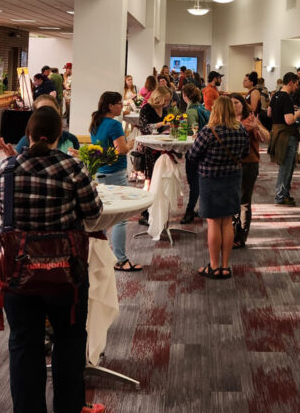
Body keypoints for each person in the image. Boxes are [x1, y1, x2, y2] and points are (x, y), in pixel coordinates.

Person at [0, 107, 106, 413]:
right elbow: (93, 212)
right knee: (69, 338)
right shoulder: (72, 167)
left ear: (27, 134)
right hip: (64, 271)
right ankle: (70, 412)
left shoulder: (4, 170)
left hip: (15, 271)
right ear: (59, 135)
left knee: (23, 342)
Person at [187, 96, 249, 279]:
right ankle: (225, 266)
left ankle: (214, 266)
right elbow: (245, 153)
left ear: (215, 111)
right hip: (233, 178)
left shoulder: (208, 131)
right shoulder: (241, 130)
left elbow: (192, 155)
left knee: (213, 222)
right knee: (227, 221)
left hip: (210, 179)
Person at [90, 91, 142, 272]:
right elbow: (121, 150)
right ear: (110, 106)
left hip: (100, 172)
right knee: (121, 219)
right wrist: (130, 143)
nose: (122, 106)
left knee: (102, 218)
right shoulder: (114, 124)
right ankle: (121, 259)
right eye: (119, 103)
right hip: (115, 172)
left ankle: (100, 257)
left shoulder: (96, 123)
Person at [230, 93, 269, 247]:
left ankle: (241, 236)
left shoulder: (250, 119)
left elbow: (266, 137)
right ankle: (231, 233)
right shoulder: (226, 121)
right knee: (232, 200)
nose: (233, 106)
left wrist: (256, 127)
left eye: (236, 103)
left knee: (244, 201)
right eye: (230, 103)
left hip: (249, 164)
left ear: (243, 104)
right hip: (230, 164)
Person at [0, 95, 80, 156]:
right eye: (42, 111)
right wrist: (14, 158)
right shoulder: (25, 141)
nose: (47, 116)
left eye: (51, 110)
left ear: (58, 112)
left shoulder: (71, 139)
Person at [137, 85, 173, 225]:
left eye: (168, 100)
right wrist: (162, 123)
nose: (167, 103)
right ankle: (144, 212)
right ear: (158, 97)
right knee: (149, 180)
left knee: (159, 181)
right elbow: (144, 127)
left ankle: (156, 211)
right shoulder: (146, 108)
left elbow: (163, 127)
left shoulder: (164, 109)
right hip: (148, 148)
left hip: (161, 147)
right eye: (165, 100)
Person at [269, 72, 300, 206]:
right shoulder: (287, 97)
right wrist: (298, 114)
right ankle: (281, 196)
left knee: (285, 166)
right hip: (286, 135)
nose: (297, 87)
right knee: (286, 167)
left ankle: (283, 194)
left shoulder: (275, 94)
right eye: (296, 84)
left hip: (277, 132)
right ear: (290, 83)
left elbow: (269, 113)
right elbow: (289, 120)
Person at [181, 84, 210, 224]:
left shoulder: (190, 111)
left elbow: (192, 133)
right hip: (206, 149)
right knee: (201, 180)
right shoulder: (203, 108)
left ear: (185, 96)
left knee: (193, 181)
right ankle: (202, 207)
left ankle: (189, 210)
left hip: (194, 149)